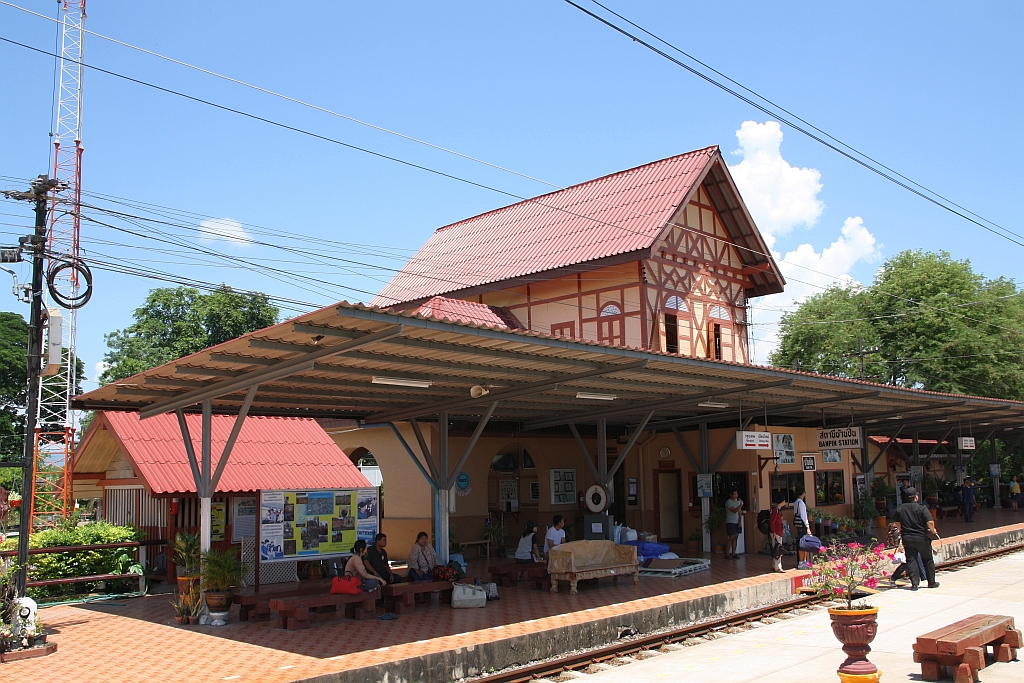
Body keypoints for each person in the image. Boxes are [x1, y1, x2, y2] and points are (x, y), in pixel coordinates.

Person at [893, 486, 939, 591]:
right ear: (916, 497)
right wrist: (933, 530)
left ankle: (914, 584)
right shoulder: (922, 508)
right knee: (927, 559)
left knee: (911, 559)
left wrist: (901, 530)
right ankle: (931, 582)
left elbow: (897, 522)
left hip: (908, 538)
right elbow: (930, 522)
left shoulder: (900, 509)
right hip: (921, 538)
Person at [792, 488, 811, 568]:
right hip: (802, 525)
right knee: (804, 543)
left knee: (801, 542)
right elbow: (804, 516)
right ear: (803, 493)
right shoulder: (801, 503)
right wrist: (808, 527)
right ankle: (802, 562)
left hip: (798, 524)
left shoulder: (796, 502)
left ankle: (802, 561)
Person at [769, 495, 787, 573]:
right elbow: (772, 522)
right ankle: (778, 567)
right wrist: (773, 531)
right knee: (778, 549)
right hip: (776, 532)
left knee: (776, 549)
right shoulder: (775, 510)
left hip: (778, 531)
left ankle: (774, 565)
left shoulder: (778, 510)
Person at [724, 490, 744, 559]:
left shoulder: (738, 502)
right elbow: (734, 510)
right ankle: (727, 554)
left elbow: (739, 513)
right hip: (730, 522)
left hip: (736, 522)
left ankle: (733, 553)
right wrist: (741, 505)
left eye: (737, 494)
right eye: (734, 494)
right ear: (731, 495)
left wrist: (740, 522)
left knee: (735, 537)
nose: (736, 496)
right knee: (731, 537)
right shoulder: (728, 502)